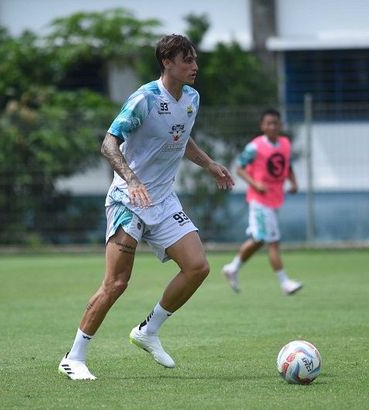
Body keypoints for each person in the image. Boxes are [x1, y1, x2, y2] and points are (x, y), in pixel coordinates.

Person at [58, 34, 234, 380]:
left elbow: (180, 138)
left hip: (163, 198)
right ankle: (73, 357)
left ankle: (148, 331)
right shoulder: (144, 99)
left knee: (197, 267)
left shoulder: (192, 98)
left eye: (195, 59)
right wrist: (132, 179)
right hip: (130, 199)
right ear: (167, 62)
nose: (195, 66)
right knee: (117, 283)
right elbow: (108, 143)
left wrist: (210, 164)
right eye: (187, 60)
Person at [221, 109, 303, 295]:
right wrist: (255, 183)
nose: (273, 126)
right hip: (259, 201)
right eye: (269, 123)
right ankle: (285, 283)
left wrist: (294, 182)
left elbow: (287, 165)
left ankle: (232, 268)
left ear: (280, 125)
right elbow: (240, 168)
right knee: (272, 241)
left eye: (276, 123)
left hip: (275, 198)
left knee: (259, 240)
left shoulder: (284, 143)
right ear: (262, 126)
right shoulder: (255, 147)